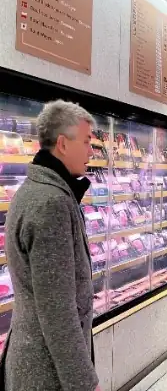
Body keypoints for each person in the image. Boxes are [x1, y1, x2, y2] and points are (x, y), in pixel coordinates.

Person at [1, 100, 101, 391]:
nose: (91, 151)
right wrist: (84, 382)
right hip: (46, 371)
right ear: (62, 144)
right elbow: (57, 309)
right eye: (86, 142)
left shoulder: (33, 190)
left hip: (36, 357)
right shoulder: (51, 203)